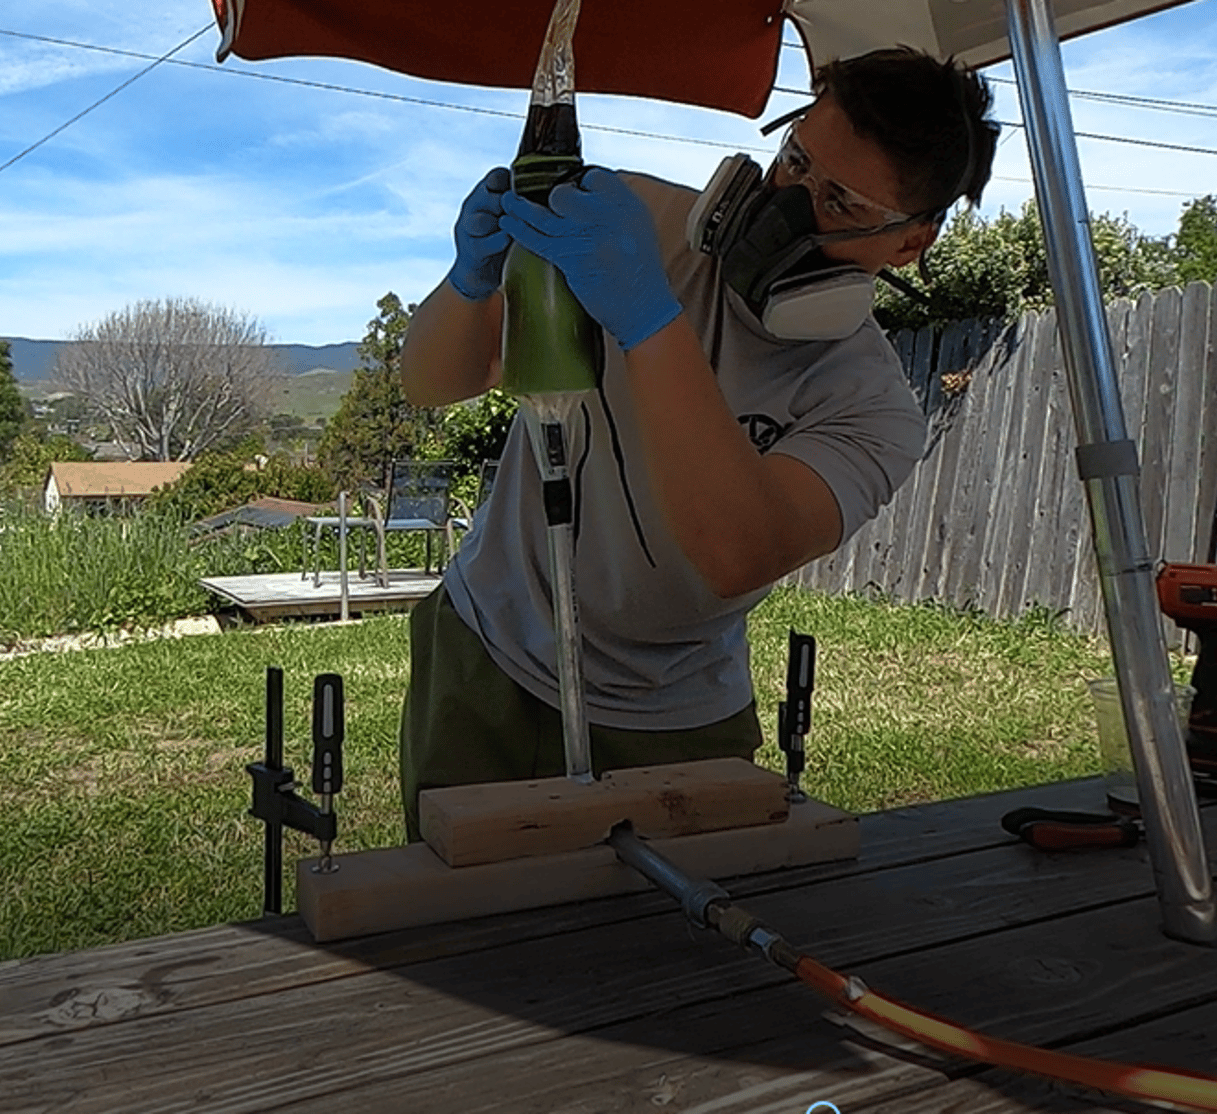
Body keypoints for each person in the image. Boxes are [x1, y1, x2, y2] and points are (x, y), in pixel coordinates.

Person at [396, 47, 1000, 838]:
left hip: (674, 710)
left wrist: (650, 322)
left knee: (668, 918)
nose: (787, 206)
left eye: (840, 204)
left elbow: (735, 554)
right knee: (458, 910)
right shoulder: (641, 226)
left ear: (910, 243)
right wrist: (469, 283)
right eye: (796, 161)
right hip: (488, 651)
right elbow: (437, 381)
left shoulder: (872, 407)